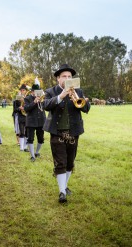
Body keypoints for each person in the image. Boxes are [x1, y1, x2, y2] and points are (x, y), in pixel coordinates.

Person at [43, 64, 90, 203]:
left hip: (73, 132)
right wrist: (61, 96)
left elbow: (86, 108)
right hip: (57, 132)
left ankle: (65, 185)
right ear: (58, 78)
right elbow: (46, 105)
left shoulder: (78, 91)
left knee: (70, 162)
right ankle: (62, 192)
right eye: (64, 76)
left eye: (70, 76)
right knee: (60, 162)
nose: (67, 78)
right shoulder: (51, 91)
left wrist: (80, 100)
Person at [24, 81, 46, 161]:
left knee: (41, 139)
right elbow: (26, 109)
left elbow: (46, 107)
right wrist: (34, 102)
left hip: (41, 121)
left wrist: (42, 101)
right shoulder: (27, 98)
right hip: (31, 121)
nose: (37, 93)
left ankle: (37, 152)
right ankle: (32, 156)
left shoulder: (42, 98)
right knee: (30, 138)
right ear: (32, 91)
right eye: (35, 91)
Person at [13, 84, 29, 151]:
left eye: (24, 90)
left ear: (25, 91)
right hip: (20, 116)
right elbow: (15, 110)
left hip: (27, 117)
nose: (22, 91)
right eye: (21, 90)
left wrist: (26, 107)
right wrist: (19, 108)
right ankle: (21, 147)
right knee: (22, 132)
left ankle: (25, 147)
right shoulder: (17, 100)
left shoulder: (28, 98)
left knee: (27, 132)